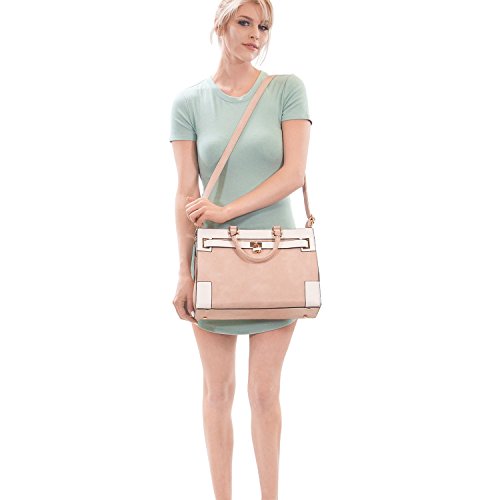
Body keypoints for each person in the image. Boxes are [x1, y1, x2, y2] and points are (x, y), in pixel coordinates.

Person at [169, 0, 312, 498]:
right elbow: (185, 192)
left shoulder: (286, 90)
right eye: (245, 23)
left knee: (265, 393)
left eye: (264, 26)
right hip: (214, 263)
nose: (256, 34)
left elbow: (294, 174)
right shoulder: (189, 102)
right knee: (217, 393)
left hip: (277, 258)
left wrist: (227, 210)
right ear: (221, 25)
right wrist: (184, 271)